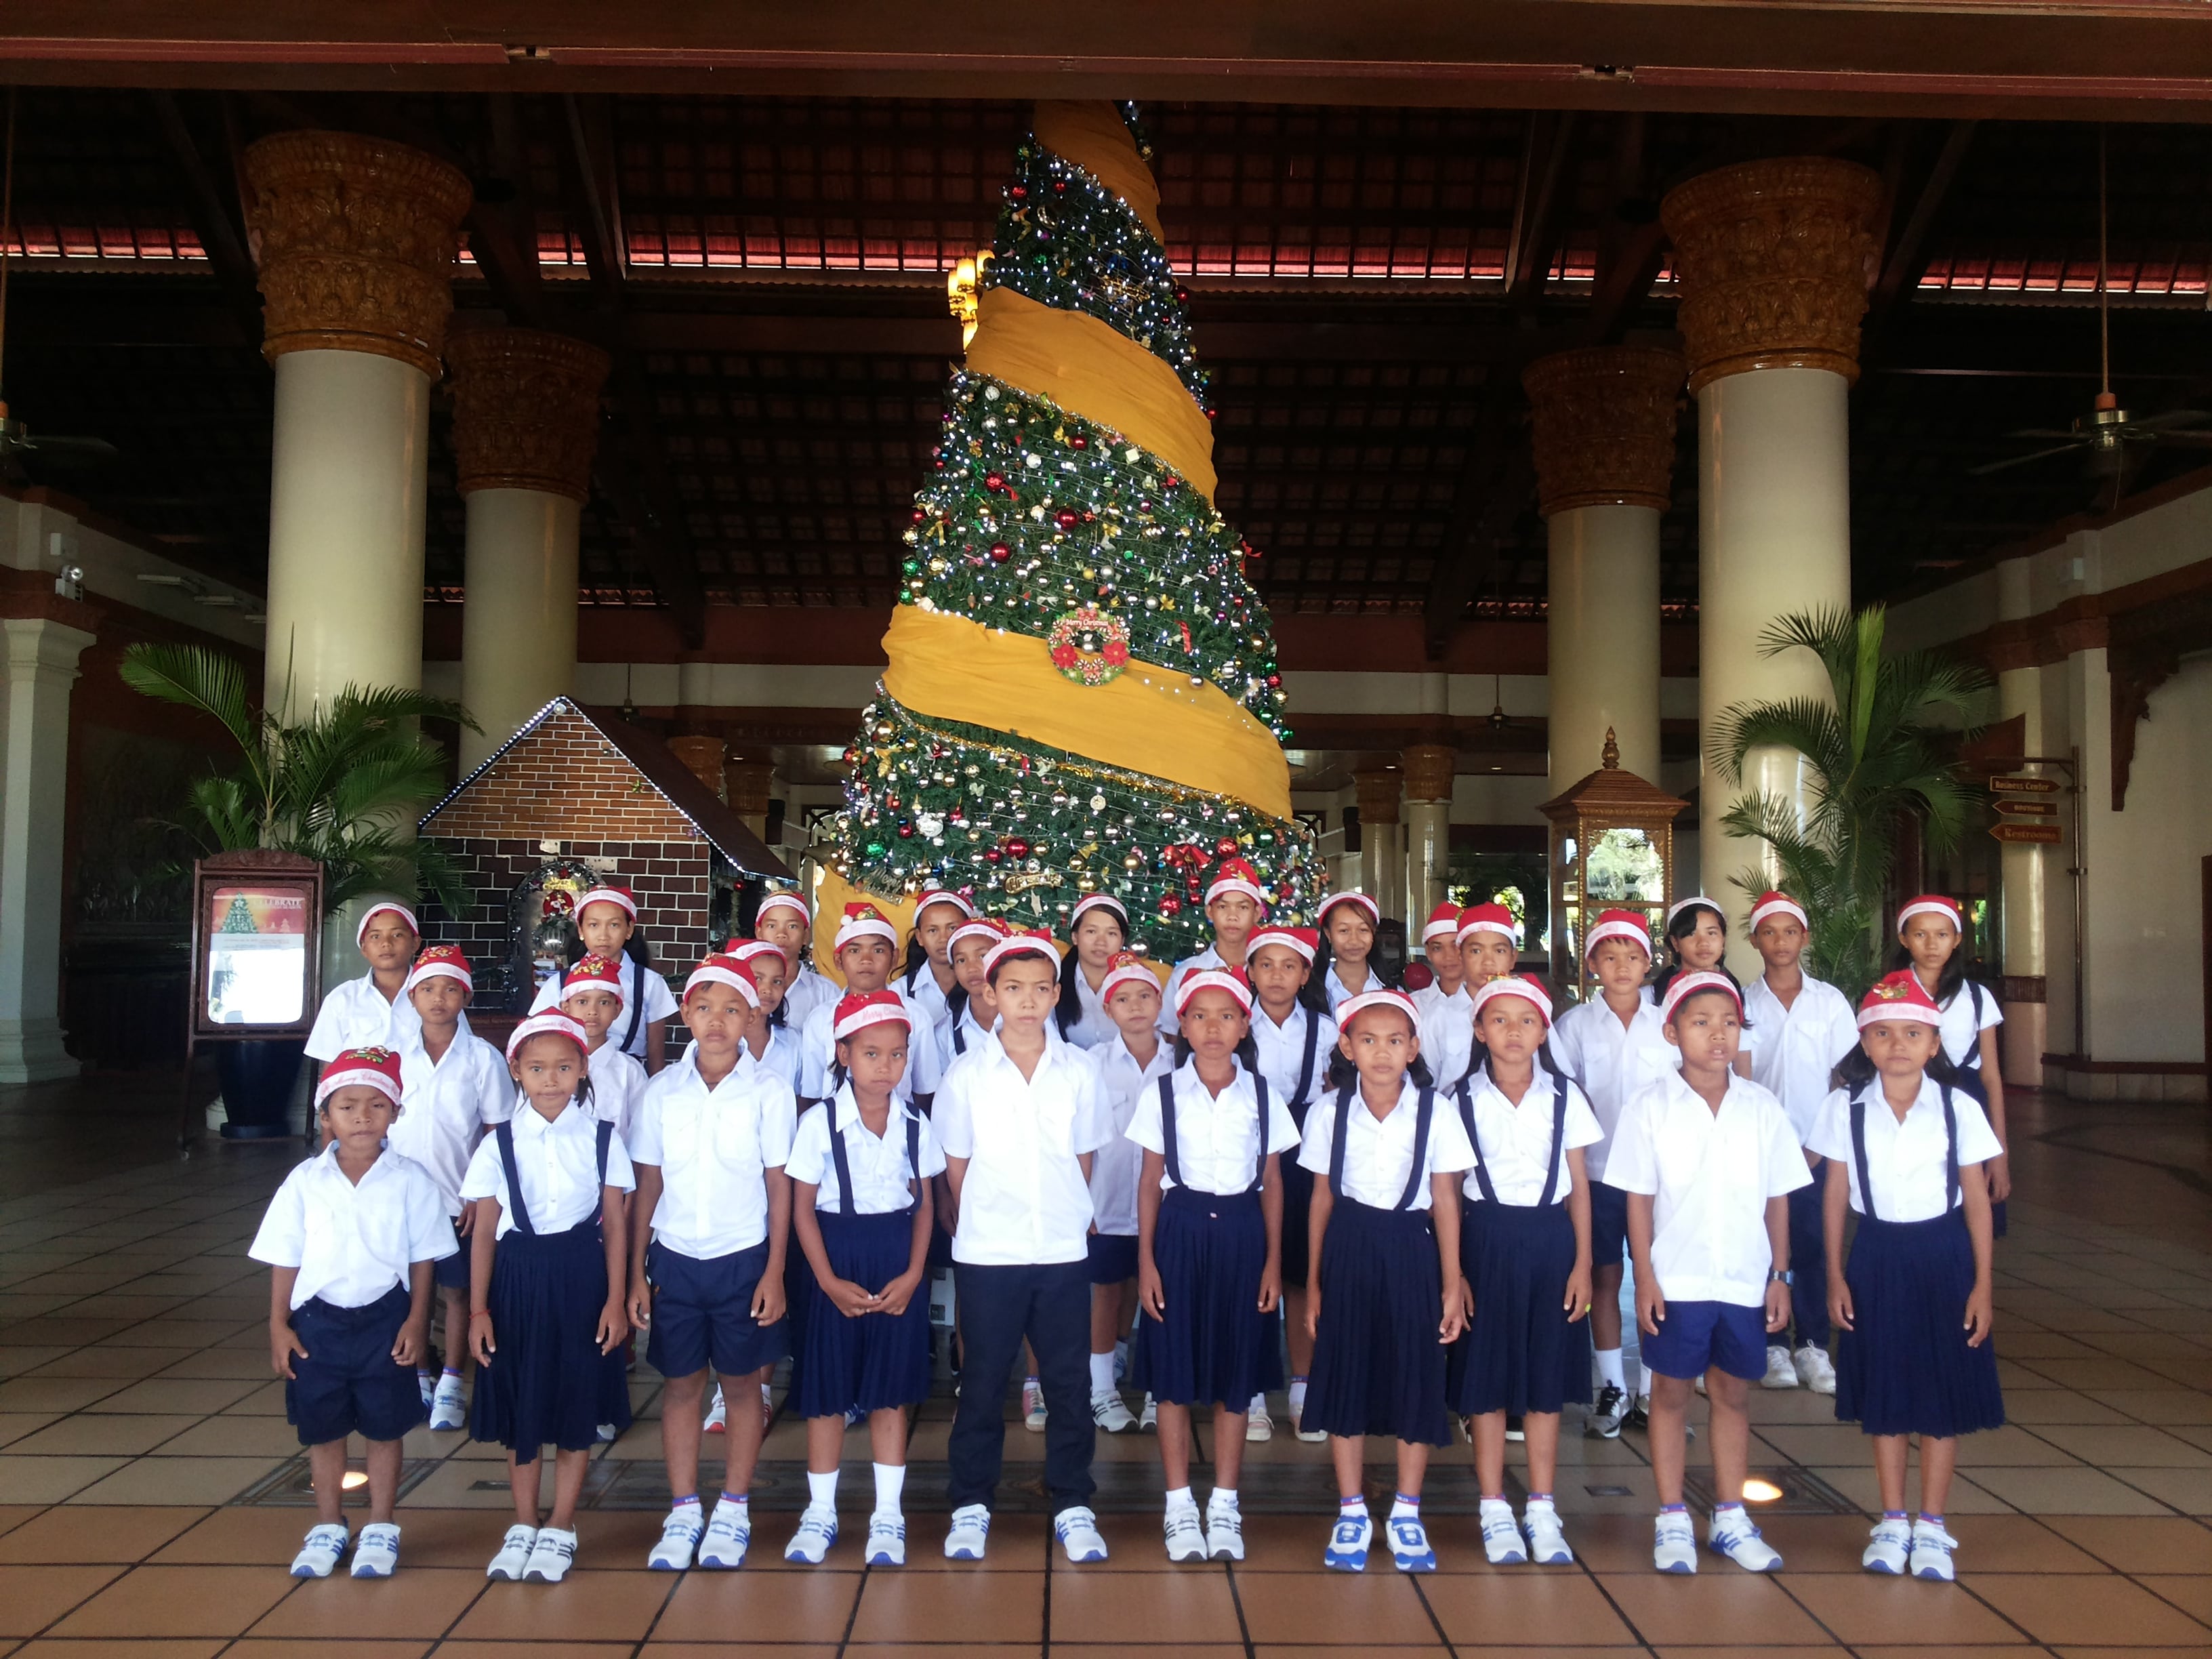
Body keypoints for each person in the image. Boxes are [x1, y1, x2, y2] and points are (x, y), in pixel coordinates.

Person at [1607, 972, 1809, 1575]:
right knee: (1670, 1394)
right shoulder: (1648, 1107)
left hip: (1744, 1278)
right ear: (1672, 1033)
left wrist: (1780, 1275)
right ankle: (1672, 1516)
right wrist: (1644, 1276)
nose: (1717, 1035)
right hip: (1678, 1279)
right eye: (1701, 1023)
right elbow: (1638, 1200)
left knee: (1732, 1394)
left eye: (1728, 1023)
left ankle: (1730, 1517)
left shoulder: (1761, 1107)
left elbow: (1778, 1197)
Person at [932, 930, 1117, 1564]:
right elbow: (957, 1164)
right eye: (1014, 988)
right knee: (983, 1380)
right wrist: (987, 1219)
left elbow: (1084, 1156)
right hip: (990, 1251)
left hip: (1062, 1247)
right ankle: (970, 1502)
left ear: (1057, 994)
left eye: (1041, 988)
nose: (1028, 1000)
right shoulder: (966, 1075)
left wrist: (1067, 1212)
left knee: (1067, 1382)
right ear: (991, 993)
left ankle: (1073, 1501)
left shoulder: (1079, 1071)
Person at [1814, 970, 2005, 1582]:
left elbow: (1977, 1202)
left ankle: (1933, 1524)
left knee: (1942, 1387)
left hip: (1944, 1254)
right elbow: (1834, 1195)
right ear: (1865, 1043)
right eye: (1884, 1033)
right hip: (1877, 1254)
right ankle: (1893, 1518)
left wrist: (1982, 1284)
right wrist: (1835, 1275)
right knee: (1887, 1385)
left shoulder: (1958, 1107)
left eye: (1913, 1033)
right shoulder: (1844, 1108)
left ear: (1934, 1044)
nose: (1898, 1044)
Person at [251, 1046, 453, 1580]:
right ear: (325, 1116)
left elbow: (424, 1257)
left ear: (396, 1112)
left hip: (386, 1318)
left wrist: (417, 1320)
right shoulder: (304, 1181)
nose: (363, 1116)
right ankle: (328, 1523)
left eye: (376, 1105)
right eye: (347, 1106)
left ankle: (382, 1524)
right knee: (323, 1428)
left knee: (385, 1428)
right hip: (316, 1323)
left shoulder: (411, 1180)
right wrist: (277, 1323)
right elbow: (285, 1255)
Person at [626, 954, 794, 1571]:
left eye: (731, 1009)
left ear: (752, 1015)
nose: (717, 1021)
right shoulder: (662, 1092)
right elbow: (648, 1184)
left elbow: (779, 1186)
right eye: (704, 1008)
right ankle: (683, 1508)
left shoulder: (769, 1091)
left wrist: (775, 1271)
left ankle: (734, 1506)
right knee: (680, 1385)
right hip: (675, 1259)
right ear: (685, 1015)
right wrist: (636, 1273)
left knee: (742, 1385)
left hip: (743, 1258)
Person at [1299, 988, 1475, 1574]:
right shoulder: (1329, 1112)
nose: (1381, 1052)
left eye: (1395, 1041)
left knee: (1415, 1374)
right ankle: (1351, 1508)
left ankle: (1406, 1510)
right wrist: (1314, 1282)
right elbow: (1321, 1199)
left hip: (1410, 1248)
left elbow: (1446, 1199)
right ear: (1347, 1047)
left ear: (1413, 1048)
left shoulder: (1435, 1112)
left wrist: (1451, 1281)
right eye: (1368, 1040)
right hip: (1348, 1247)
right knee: (1344, 1371)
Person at [463, 1012, 634, 1584]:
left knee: (576, 1395)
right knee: (523, 1397)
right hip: (517, 1279)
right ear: (516, 1071)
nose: (551, 1079)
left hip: (583, 1277)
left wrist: (615, 1300)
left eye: (564, 1067)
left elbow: (616, 1224)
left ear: (584, 1068)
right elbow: (484, 1231)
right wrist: (479, 1310)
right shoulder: (499, 1144)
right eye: (537, 1068)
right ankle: (523, 1521)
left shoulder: (604, 1139)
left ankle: (561, 1522)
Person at [1131, 967, 1295, 1563]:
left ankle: (1225, 1502)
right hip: (1180, 1231)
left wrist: (1273, 1261)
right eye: (1199, 1016)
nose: (1213, 1028)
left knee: (1236, 1373)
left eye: (1226, 1016)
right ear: (1182, 1025)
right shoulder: (1163, 1093)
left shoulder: (1263, 1094)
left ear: (1244, 1026)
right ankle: (1179, 1504)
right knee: (1173, 1373)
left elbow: (1272, 1182)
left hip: (1244, 1234)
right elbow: (1149, 1182)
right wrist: (1147, 1261)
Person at [783, 991, 945, 1568]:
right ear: (844, 1054)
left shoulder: (915, 1125)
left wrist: (914, 1274)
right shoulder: (818, 1124)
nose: (886, 1066)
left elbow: (924, 1205)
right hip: (834, 1257)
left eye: (898, 1055)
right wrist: (826, 1280)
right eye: (872, 1053)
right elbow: (802, 1209)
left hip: (896, 1259)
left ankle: (888, 1513)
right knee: (828, 1391)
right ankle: (820, 1510)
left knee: (888, 1392)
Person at [1446, 975, 1597, 1569]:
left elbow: (1579, 1186)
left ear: (1543, 1031)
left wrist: (1582, 1262)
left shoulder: (1565, 1097)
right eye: (1500, 1020)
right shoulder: (1458, 1099)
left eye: (1527, 1020)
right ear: (1480, 1030)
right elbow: (1447, 1192)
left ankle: (1541, 1505)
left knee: (1544, 1379)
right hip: (1483, 1238)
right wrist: (1455, 1273)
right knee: (1485, 1379)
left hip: (1550, 1241)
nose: (1514, 1031)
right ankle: (1492, 1505)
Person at [1549, 909, 1675, 1438]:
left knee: (1656, 1276)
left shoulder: (1669, 1024)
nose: (1622, 967)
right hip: (1597, 1173)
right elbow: (1564, 1099)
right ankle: (1612, 1387)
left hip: (1657, 1176)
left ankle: (1651, 1389)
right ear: (1592, 964)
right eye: (1609, 957)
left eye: (1633, 957)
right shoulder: (1574, 1026)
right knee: (1603, 1276)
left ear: (1649, 963)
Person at [1740, 891, 1858, 1395]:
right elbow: (1739, 1079)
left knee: (1813, 1243)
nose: (1781, 941)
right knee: (1764, 1245)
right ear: (1755, 941)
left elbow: (1845, 1077)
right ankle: (1770, 1344)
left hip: (1815, 1148)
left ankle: (1812, 1345)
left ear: (1804, 938)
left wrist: (1822, 1144)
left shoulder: (1829, 1001)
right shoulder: (1743, 1003)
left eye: (1790, 932)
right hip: (1761, 1150)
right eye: (1770, 932)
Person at [389, 945, 510, 1433]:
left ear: (466, 997)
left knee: (458, 1290)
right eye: (428, 989)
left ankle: (453, 1382)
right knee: (409, 1291)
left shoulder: (482, 1058)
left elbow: (496, 1134)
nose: (439, 998)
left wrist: (480, 1195)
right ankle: (420, 1373)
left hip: (459, 1199)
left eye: (451, 989)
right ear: (412, 997)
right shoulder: (393, 1055)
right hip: (401, 1200)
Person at [1245, 924, 1335, 1441]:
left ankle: (1303, 1388)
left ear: (1305, 974)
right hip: (1246, 1154)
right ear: (1250, 972)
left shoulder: (1326, 1029)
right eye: (1266, 965)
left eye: (1288, 966)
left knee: (1301, 1273)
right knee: (1252, 1272)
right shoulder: (1236, 1021)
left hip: (1304, 1157)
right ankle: (1253, 1391)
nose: (1276, 976)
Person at [1083, 950, 1170, 1433]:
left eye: (1144, 996)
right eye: (1123, 999)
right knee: (1107, 1292)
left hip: (1167, 1206)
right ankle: (1101, 1389)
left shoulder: (1181, 1061)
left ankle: (1160, 1390)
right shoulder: (1092, 1065)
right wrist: (1083, 1201)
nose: (1135, 1006)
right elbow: (1080, 1139)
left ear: (1160, 1002)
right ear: (1107, 1008)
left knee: (1161, 1293)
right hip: (1109, 1202)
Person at [1892, 894, 2011, 1235]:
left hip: (1968, 1106)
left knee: (1970, 1211)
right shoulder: (1890, 994)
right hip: (1908, 1106)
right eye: (1920, 934)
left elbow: (1991, 1077)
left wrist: (2000, 1153)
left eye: (1942, 935)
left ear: (1957, 939)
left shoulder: (1977, 997)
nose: (1932, 944)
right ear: (1904, 939)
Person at [799, 903, 942, 1109]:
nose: (866, 960)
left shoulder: (916, 1016)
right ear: (838, 961)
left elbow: (925, 1092)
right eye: (855, 950)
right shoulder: (820, 1020)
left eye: (878, 950)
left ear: (894, 958)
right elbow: (812, 1095)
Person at [529, 886, 678, 1073]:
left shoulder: (650, 983)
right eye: (594, 925)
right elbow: (538, 1044)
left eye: (614, 925)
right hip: (569, 1080)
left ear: (629, 929)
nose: (603, 936)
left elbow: (656, 1058)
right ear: (581, 930)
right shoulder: (557, 984)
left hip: (629, 1080)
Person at [305, 901, 424, 1064]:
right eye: (375, 936)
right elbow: (331, 1068)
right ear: (364, 948)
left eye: (397, 935)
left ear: (415, 943)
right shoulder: (342, 998)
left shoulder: (436, 995)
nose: (386, 943)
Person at [1161, 857, 1269, 1029]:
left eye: (1243, 907)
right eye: (1223, 907)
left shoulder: (1269, 972)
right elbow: (1170, 1034)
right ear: (1210, 912)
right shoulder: (1185, 973)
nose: (1232, 916)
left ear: (1257, 913)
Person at [1425, 902, 1522, 1090]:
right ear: (1461, 956)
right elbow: (1427, 1088)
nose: (1488, 962)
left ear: (1513, 958)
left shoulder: (1531, 1014)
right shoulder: (1437, 1018)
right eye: (1476, 951)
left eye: (1499, 951)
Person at [559, 954, 649, 1142]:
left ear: (617, 1010)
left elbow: (643, 1134)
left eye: (604, 1003)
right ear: (566, 1008)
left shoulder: (629, 1071)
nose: (593, 1011)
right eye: (582, 1002)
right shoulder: (551, 1066)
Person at [728, 939, 804, 1093]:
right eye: (757, 978)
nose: (767, 989)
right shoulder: (714, 1040)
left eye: (777, 981)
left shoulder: (794, 1042)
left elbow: (801, 1099)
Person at [1056, 892, 1131, 1048]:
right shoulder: (1055, 985)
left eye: (1111, 933)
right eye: (1091, 931)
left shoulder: (1137, 984)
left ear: (1122, 941)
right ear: (1075, 937)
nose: (1101, 942)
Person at [758, 890, 838, 1034]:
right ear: (759, 933)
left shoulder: (826, 992)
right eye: (772, 926)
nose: (781, 934)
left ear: (806, 936)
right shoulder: (742, 988)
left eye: (792, 926)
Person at [899, 887, 975, 1029]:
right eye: (933, 930)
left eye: (952, 928)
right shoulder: (901, 991)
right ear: (920, 937)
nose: (943, 938)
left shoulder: (984, 984)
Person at [1313, 890, 1388, 1012]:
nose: (1354, 940)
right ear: (1328, 934)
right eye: (1344, 931)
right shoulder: (1311, 992)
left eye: (1363, 930)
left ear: (1373, 932)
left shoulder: (1391, 990)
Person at [1409, 901, 1469, 1019]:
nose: (1448, 956)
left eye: (1456, 945)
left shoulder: (1492, 1003)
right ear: (1428, 953)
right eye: (1437, 948)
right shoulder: (1412, 1006)